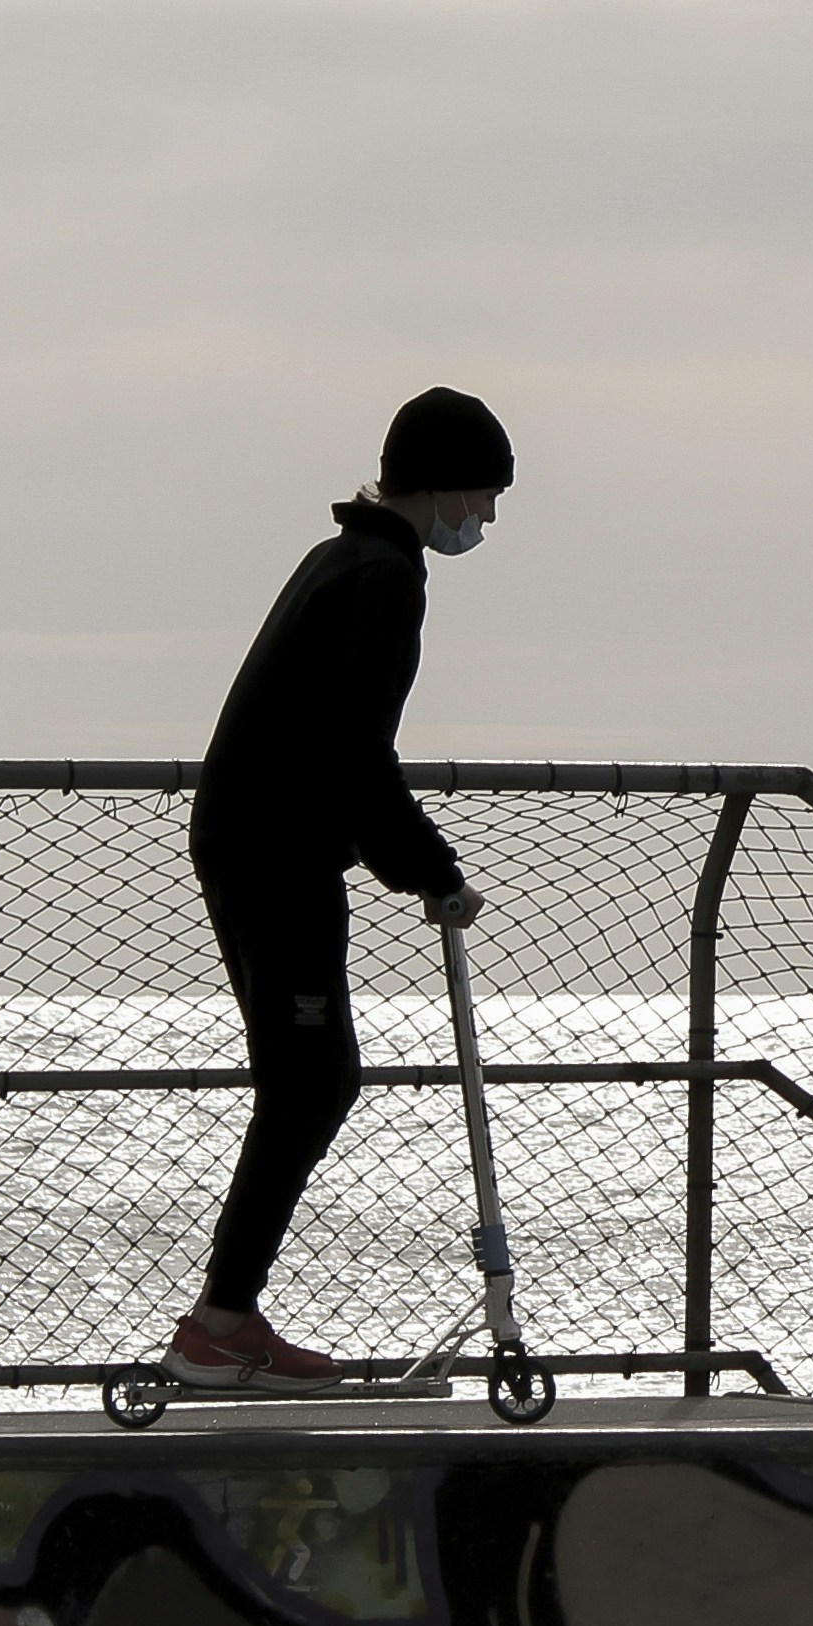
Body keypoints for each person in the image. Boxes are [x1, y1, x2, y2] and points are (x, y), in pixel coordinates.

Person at [167, 386, 511, 1391]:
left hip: (270, 844)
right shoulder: (380, 577)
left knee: (311, 1079)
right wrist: (433, 871)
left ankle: (225, 1319)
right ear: (442, 486)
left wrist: (408, 860)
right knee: (311, 1080)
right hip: (274, 851)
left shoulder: (350, 558)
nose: (483, 521)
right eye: (482, 499)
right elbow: (358, 750)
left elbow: (344, 750)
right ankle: (219, 1326)